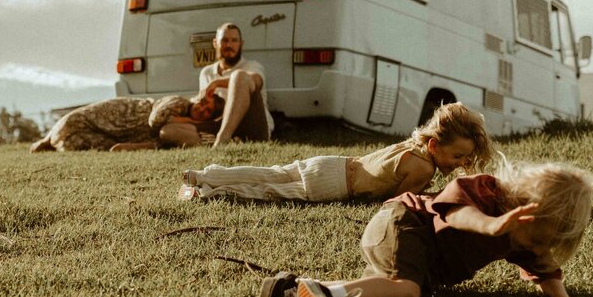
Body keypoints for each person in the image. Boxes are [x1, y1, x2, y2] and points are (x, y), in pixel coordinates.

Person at [257, 161, 593, 297]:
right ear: (523, 205)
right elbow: (457, 213)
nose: (538, 250)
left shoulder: (525, 238)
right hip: (403, 221)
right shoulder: (487, 193)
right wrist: (491, 225)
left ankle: (293, 289)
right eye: (538, 240)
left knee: (393, 292)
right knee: (406, 292)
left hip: (418, 251)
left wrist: (560, 296)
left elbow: (544, 266)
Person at [180, 101, 492, 202]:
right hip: (334, 184)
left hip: (330, 164)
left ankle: (204, 174)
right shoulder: (423, 169)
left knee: (271, 173)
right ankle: (206, 193)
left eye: (465, 159)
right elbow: (398, 203)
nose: (462, 163)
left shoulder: (416, 144)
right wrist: (435, 197)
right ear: (435, 145)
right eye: (457, 157)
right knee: (269, 190)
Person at [159, 22, 272, 149]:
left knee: (239, 76)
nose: (229, 45)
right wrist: (190, 120)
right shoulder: (206, 73)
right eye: (224, 40)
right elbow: (205, 110)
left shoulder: (252, 66)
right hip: (217, 125)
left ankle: (223, 139)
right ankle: (225, 142)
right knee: (167, 131)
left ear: (241, 44)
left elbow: (255, 81)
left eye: (234, 40)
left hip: (251, 125)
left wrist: (217, 82)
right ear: (215, 43)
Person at [30, 94, 220, 152]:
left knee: (91, 145)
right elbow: (156, 119)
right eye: (203, 103)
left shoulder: (180, 126)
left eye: (207, 111)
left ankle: (49, 142)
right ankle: (48, 140)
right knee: (75, 124)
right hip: (119, 116)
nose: (201, 109)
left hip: (111, 132)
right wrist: (192, 120)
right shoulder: (180, 102)